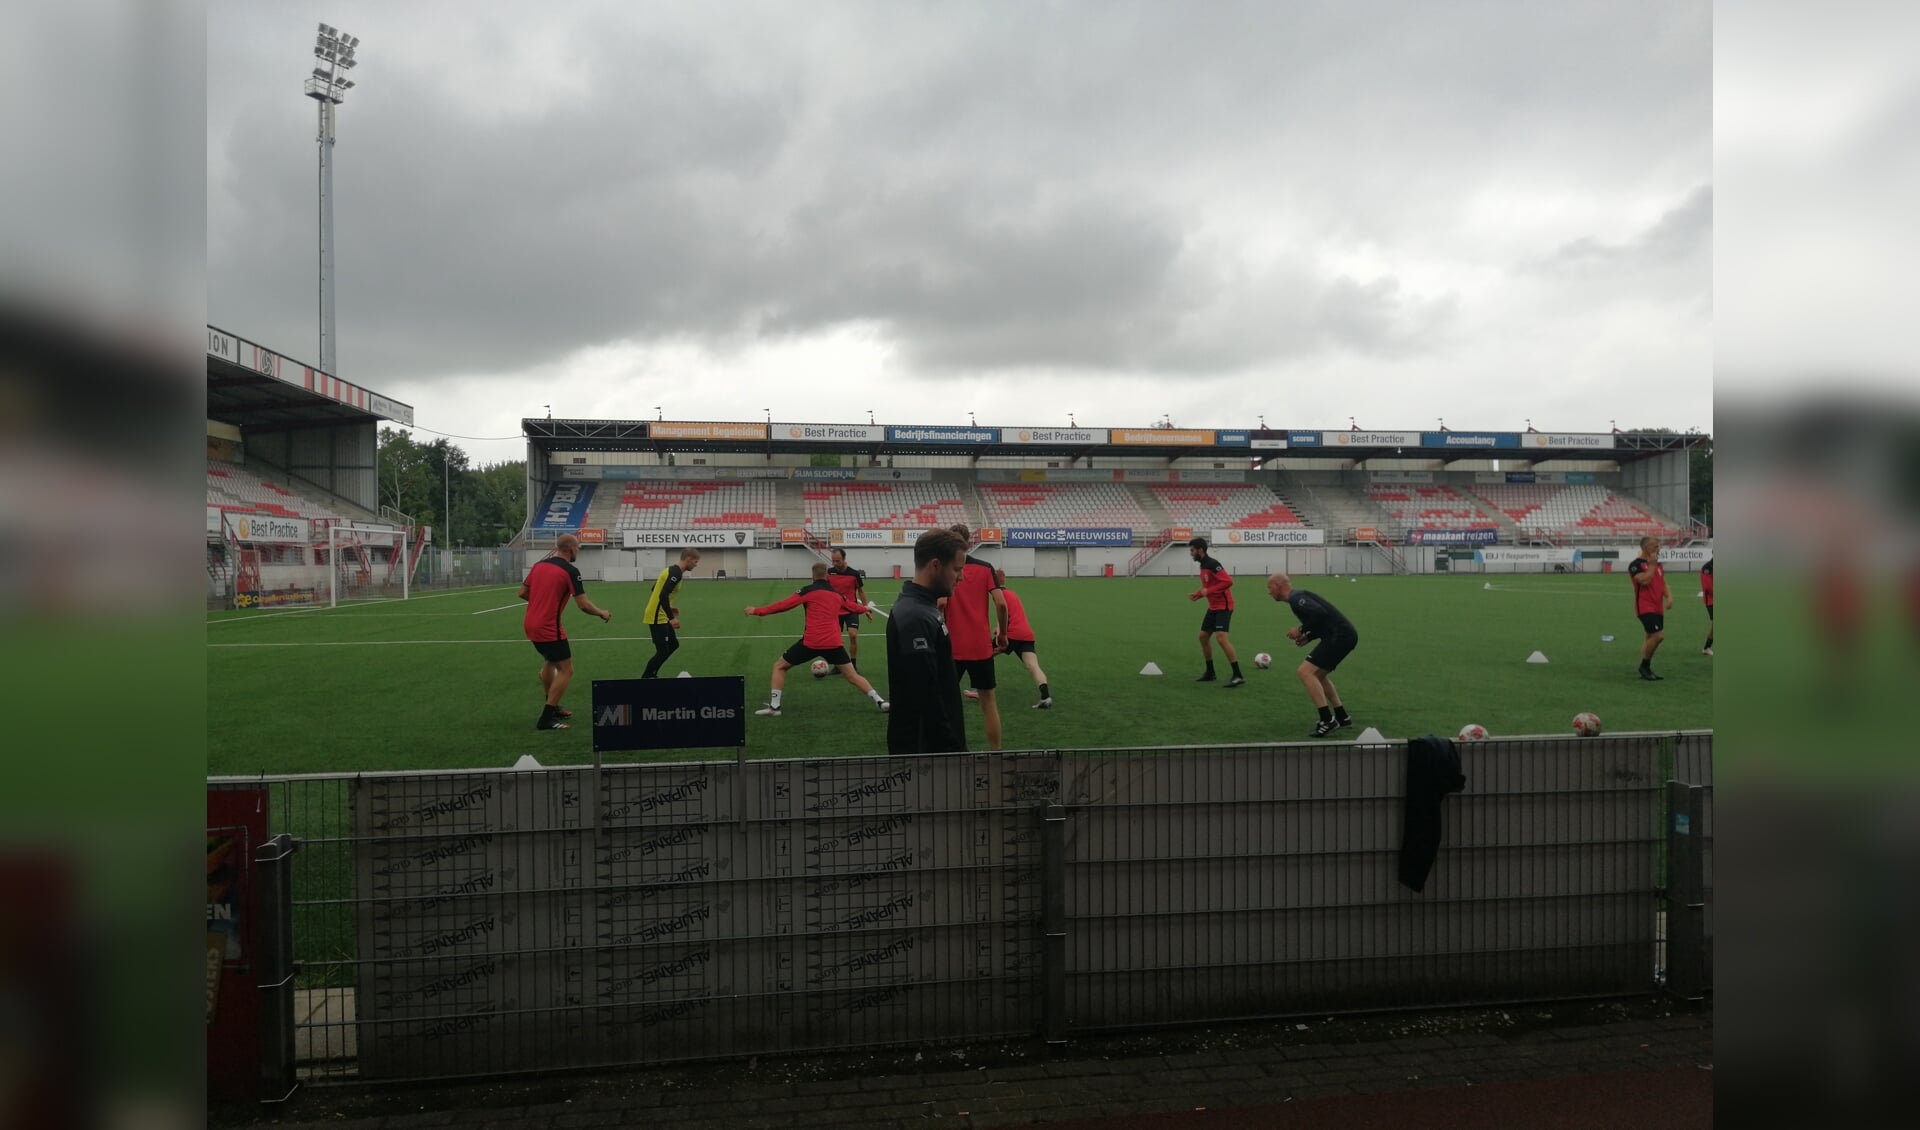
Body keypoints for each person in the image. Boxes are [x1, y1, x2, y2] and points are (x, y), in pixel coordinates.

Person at [744, 562, 889, 717]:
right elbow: (853, 607)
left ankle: (774, 707)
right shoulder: (836, 594)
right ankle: (880, 701)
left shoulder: (807, 591)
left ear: (812, 576)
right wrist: (866, 609)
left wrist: (757, 611)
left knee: (780, 666)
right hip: (834, 643)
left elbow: (783, 605)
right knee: (852, 675)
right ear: (827, 576)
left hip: (811, 643)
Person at [887, 529, 970, 755]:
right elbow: (926, 694)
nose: (961, 577)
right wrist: (952, 750)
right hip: (926, 755)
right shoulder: (915, 616)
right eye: (956, 569)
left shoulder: (923, 608)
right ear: (935, 565)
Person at [518, 533, 612, 731]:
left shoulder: (539, 565)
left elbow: (522, 593)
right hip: (548, 627)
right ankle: (546, 717)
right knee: (567, 670)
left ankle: (552, 706)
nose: (578, 551)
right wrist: (602, 612)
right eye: (577, 547)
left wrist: (540, 604)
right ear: (570, 548)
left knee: (550, 663)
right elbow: (583, 605)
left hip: (530, 623)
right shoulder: (570, 570)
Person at [943, 524, 1010, 750]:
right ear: (968, 542)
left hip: (952, 647)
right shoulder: (985, 568)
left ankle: (949, 753)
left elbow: (940, 603)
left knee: (945, 703)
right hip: (981, 647)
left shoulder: (946, 568)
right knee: (988, 702)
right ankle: (996, 753)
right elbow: (1001, 603)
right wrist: (1003, 633)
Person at [1267, 573, 1359, 738]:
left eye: (1269, 588)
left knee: (1305, 672)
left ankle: (1327, 720)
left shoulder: (1296, 598)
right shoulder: (1297, 597)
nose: (1269, 592)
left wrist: (1300, 630)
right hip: (1343, 635)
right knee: (1318, 675)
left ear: (1277, 586)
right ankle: (1342, 716)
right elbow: (1321, 620)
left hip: (1339, 636)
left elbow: (1320, 613)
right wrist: (1308, 637)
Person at [1187, 537, 1245, 686]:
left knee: (1221, 638)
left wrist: (1208, 591)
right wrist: (1198, 594)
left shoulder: (1213, 564)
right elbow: (1208, 586)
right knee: (1203, 637)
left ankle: (1238, 675)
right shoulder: (1203, 566)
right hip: (1213, 607)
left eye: (1192, 550)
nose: (1191, 553)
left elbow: (1228, 581)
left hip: (1224, 606)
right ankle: (1210, 672)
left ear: (1200, 550)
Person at [994, 568, 1051, 708]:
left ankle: (981, 689)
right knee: (1033, 666)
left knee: (983, 655)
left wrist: (1000, 632)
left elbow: (1003, 613)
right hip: (1026, 634)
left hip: (1012, 633)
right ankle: (1046, 697)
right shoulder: (1012, 594)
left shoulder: (999, 595)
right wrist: (997, 627)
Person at [640, 548, 700, 678]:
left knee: (673, 645)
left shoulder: (671, 570)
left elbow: (655, 588)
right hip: (657, 616)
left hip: (661, 613)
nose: (696, 565)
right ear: (688, 559)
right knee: (662, 652)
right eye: (695, 562)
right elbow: (662, 594)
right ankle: (647, 678)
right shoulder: (676, 573)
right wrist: (671, 617)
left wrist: (670, 608)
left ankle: (651, 674)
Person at [1628, 535, 1673, 680]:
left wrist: (1669, 596)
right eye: (1656, 546)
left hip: (1657, 607)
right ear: (1646, 548)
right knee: (1658, 636)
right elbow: (1645, 581)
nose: (1658, 549)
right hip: (1645, 607)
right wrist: (1652, 565)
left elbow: (1663, 583)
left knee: (1650, 637)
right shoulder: (1636, 565)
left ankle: (1646, 668)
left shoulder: (1657, 565)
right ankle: (1644, 666)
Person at [825, 548, 874, 669]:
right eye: (833, 561)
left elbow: (861, 592)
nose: (835, 563)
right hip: (835, 611)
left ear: (844, 559)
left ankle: (853, 665)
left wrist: (865, 608)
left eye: (838, 561)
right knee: (835, 639)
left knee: (853, 635)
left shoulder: (854, 574)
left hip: (851, 609)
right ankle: (838, 666)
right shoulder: (829, 573)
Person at [1700, 557, 1713, 656]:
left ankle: (1707, 647)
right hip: (1711, 601)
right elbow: (1708, 587)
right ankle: (1706, 647)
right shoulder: (1708, 567)